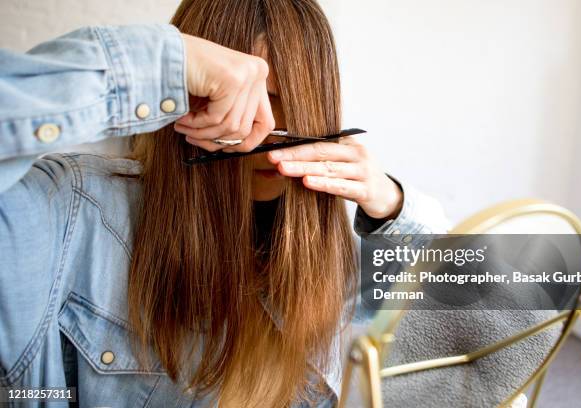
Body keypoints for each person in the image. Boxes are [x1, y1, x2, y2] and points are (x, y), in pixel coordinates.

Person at [0, 0, 448, 406]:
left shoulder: (335, 258)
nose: (277, 129)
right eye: (253, 100)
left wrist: (393, 208)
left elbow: (489, 323)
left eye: (299, 102)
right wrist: (153, 66)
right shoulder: (72, 212)